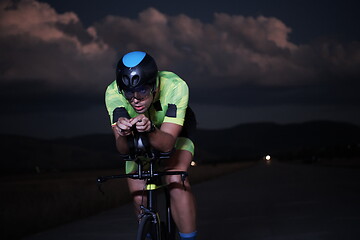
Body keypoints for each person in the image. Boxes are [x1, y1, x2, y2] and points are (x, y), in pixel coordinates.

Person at [105, 51, 197, 240]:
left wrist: (151, 130)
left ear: (154, 84)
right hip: (137, 137)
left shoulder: (176, 86)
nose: (136, 99)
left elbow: (167, 144)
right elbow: (122, 149)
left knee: (176, 181)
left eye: (143, 91)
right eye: (129, 92)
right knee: (139, 194)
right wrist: (123, 133)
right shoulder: (113, 92)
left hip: (174, 133)